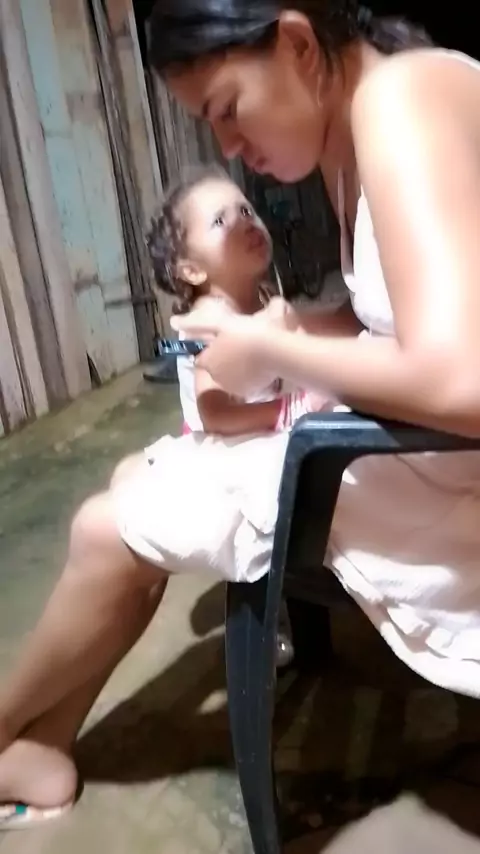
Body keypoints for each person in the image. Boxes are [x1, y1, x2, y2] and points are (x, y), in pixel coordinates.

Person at [2, 0, 480, 830]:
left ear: (297, 43)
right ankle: (33, 744)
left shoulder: (395, 101)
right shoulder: (377, 114)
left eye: (227, 109)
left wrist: (273, 347)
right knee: (131, 487)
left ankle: (15, 734)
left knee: (103, 527)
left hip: (440, 477)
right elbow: (396, 316)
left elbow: (463, 379)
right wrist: (282, 331)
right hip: (413, 450)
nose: (228, 146)